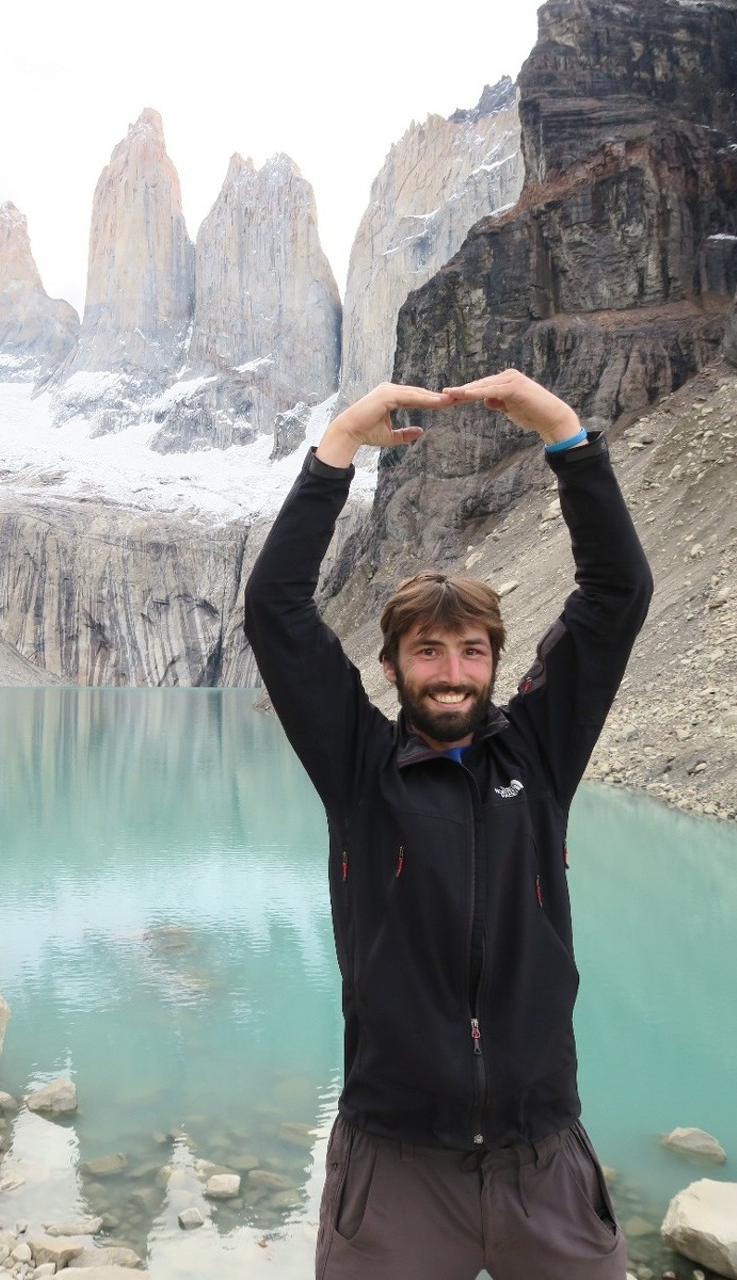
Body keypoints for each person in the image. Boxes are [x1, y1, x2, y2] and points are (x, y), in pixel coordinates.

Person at [243, 370, 653, 1280]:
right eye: (428, 651)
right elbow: (276, 610)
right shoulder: (359, 771)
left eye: (473, 651)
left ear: (498, 663)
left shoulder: (538, 759)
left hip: (542, 1156)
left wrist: (561, 431)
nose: (454, 672)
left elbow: (616, 594)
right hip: (393, 1165)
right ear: (391, 667)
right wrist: (341, 441)